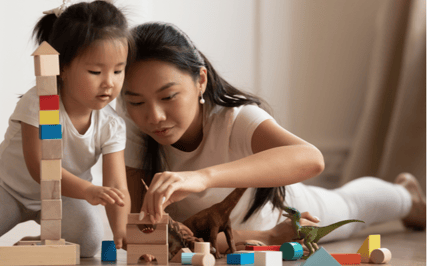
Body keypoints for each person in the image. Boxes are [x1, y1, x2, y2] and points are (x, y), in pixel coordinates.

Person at [118, 22, 426, 254]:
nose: (154, 116)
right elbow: (141, 229)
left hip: (287, 209)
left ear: (200, 80)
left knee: (350, 206)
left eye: (168, 96)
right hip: (239, 236)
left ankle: (408, 197)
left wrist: (202, 178)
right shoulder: (134, 133)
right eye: (136, 102)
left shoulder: (234, 118)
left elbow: (311, 158)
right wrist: (266, 239)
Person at [0, 1, 133, 257]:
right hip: (10, 191)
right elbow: (40, 168)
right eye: (95, 71)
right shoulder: (40, 103)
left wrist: (121, 229)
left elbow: (117, 185)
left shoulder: (112, 124)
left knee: (88, 244)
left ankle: (41, 240)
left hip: (66, 195)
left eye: (118, 71)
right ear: (62, 68)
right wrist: (88, 190)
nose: (109, 83)